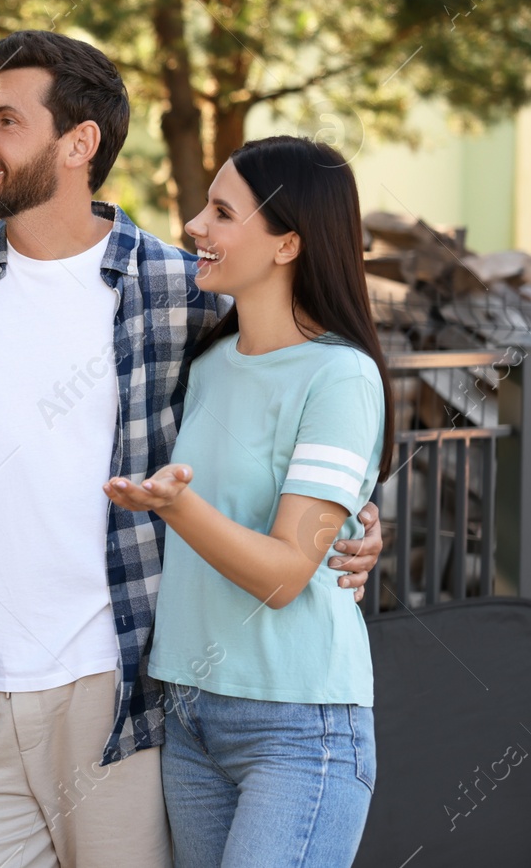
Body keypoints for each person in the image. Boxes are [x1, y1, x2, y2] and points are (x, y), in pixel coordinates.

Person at [0, 31, 384, 867]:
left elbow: (300, 392)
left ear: (78, 143)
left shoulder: (174, 285)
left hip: (117, 693)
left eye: (5, 120)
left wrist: (353, 519)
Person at [105, 137, 389, 867]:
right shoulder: (206, 365)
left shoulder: (341, 378)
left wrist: (174, 507)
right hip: (191, 716)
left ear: (287, 242)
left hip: (298, 729)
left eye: (222, 212)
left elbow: (286, 574)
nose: (196, 225)